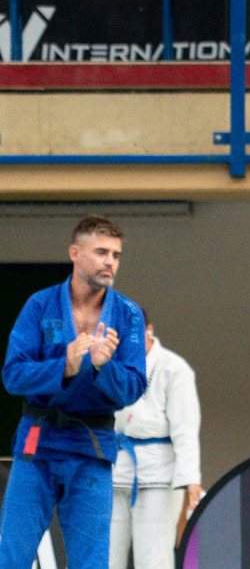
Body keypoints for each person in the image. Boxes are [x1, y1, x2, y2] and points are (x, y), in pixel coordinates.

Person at [0, 215, 146, 569]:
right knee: (11, 556)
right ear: (75, 253)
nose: (110, 261)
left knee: (91, 563)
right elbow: (12, 376)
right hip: (38, 444)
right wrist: (62, 367)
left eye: (116, 254)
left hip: (91, 448)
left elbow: (132, 388)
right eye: (101, 252)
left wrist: (102, 366)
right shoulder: (40, 305)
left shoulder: (127, 315)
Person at [110, 311, 202, 569]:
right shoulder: (110, 365)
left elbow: (185, 427)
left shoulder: (173, 367)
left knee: (154, 558)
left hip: (158, 474)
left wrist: (190, 478)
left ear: (148, 329)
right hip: (114, 469)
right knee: (104, 556)